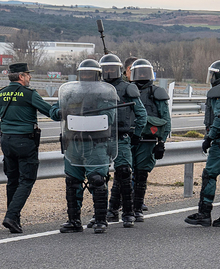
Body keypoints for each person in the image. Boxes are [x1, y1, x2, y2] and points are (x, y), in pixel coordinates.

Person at [0, 62, 60, 233]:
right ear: (21, 76)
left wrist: (7, 129)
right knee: (26, 180)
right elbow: (52, 114)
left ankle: (14, 222)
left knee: (12, 180)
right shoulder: (29, 94)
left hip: (6, 141)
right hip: (25, 142)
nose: (29, 77)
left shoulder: (0, 94)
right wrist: (60, 106)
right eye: (27, 74)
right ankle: (11, 216)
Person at [59, 60, 115, 233]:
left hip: (96, 143)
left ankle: (100, 220)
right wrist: (61, 112)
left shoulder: (105, 94)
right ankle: (74, 221)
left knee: (97, 180)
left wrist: (83, 119)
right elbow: (56, 110)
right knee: (72, 181)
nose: (86, 77)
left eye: (90, 73)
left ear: (97, 74)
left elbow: (108, 118)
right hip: (73, 143)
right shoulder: (70, 93)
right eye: (84, 73)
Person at [187, 60, 220, 227]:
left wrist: (210, 137)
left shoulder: (218, 92)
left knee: (209, 175)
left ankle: (204, 212)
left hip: (219, 141)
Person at [99, 54, 147, 228]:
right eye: (106, 69)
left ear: (119, 69)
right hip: (99, 139)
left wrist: (136, 135)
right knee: (98, 176)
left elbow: (141, 114)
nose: (109, 72)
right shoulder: (96, 88)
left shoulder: (127, 88)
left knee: (124, 173)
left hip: (121, 138)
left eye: (112, 68)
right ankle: (101, 215)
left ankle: (128, 213)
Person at [129, 59, 170, 223]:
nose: (142, 75)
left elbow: (165, 118)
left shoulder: (157, 93)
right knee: (123, 173)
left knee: (141, 174)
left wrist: (162, 142)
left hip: (147, 140)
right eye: (139, 72)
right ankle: (120, 208)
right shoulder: (126, 90)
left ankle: (137, 208)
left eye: (145, 72)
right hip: (128, 138)